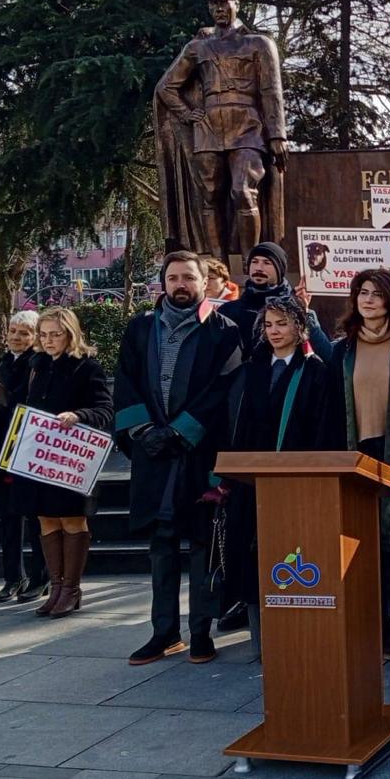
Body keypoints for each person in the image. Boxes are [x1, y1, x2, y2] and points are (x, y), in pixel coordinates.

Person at [115, 252, 243, 666]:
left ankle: (201, 631)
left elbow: (224, 389)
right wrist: (143, 431)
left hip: (198, 451)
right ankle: (164, 632)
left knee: (203, 544)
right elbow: (126, 381)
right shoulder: (141, 328)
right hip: (153, 454)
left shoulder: (223, 331)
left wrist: (181, 430)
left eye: (189, 277)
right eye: (173, 278)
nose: (180, 284)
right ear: (164, 283)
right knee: (161, 544)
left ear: (205, 282)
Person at [323, 268, 390, 656]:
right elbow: (332, 409)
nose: (368, 300)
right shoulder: (342, 350)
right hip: (357, 451)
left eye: (376, 293)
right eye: (362, 292)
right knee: (363, 539)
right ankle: (370, 616)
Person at [223, 295, 333, 655]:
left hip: (296, 483)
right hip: (252, 482)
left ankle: (297, 637)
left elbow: (322, 431)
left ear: (300, 327)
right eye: (268, 325)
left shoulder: (315, 372)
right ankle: (261, 640)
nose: (274, 331)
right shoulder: (251, 369)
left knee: (292, 554)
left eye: (282, 324)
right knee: (253, 557)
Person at [14, 307, 114, 617]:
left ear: (70, 334)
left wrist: (78, 415)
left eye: (55, 334)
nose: (48, 340)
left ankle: (71, 588)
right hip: (39, 458)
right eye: (43, 335)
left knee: (72, 519)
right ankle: (56, 587)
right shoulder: (37, 365)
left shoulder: (87, 367)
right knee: (45, 519)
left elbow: (105, 410)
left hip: (71, 459)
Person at [0, 311, 46, 604]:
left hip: (28, 450)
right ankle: (13, 577)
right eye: (13, 331)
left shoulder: (39, 364)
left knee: (35, 518)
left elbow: (25, 401)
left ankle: (40, 577)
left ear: (35, 336)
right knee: (8, 519)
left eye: (24, 332)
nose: (16, 337)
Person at [218, 242, 324, 357]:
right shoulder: (228, 311)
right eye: (254, 262)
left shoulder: (297, 309)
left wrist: (304, 315)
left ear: (279, 269)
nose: (259, 268)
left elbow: (325, 354)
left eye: (267, 263)